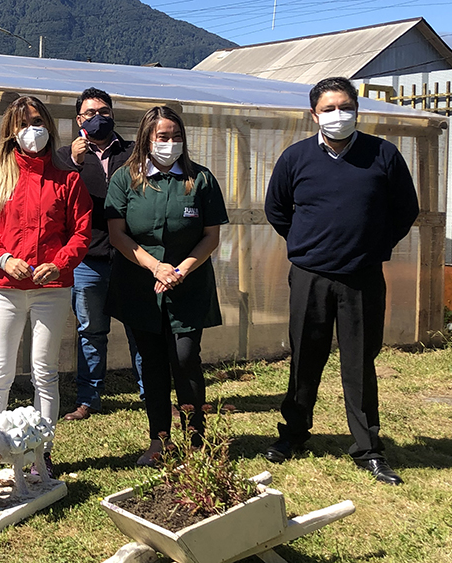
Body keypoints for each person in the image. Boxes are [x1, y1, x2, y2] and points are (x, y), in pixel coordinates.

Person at [263, 77, 419, 486]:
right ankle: (293, 436)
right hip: (310, 276)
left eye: (345, 106)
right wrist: (306, 244)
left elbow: (405, 209)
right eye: (329, 108)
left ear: (357, 110)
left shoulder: (383, 154)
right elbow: (277, 208)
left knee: (359, 363)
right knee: (304, 358)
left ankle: (368, 449)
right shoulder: (295, 158)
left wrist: (372, 244)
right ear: (314, 114)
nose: (338, 115)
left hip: (362, 278)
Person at [0, 96, 93, 476]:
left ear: (50, 126)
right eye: (23, 124)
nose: (31, 131)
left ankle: (43, 451)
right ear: (11, 131)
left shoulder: (67, 178)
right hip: (6, 288)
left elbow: (82, 232)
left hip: (51, 291)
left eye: (37, 122)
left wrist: (59, 265)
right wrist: (4, 258)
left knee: (45, 372)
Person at [105, 106, 228, 467]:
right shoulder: (125, 179)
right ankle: (160, 440)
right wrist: (156, 267)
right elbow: (117, 235)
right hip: (140, 286)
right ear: (147, 139)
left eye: (176, 136)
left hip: (188, 285)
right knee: (152, 364)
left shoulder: (200, 179)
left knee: (186, 358)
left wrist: (181, 270)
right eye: (163, 136)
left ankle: (195, 437)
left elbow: (210, 236)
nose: (171, 143)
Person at [56, 87, 144, 421]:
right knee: (91, 331)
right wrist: (76, 164)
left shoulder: (134, 153)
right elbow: (60, 203)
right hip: (88, 260)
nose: (98, 118)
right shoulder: (65, 156)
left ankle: (150, 394)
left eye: (104, 112)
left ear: (113, 115)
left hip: (132, 257)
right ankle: (89, 399)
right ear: (79, 120)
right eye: (90, 113)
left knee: (140, 329)